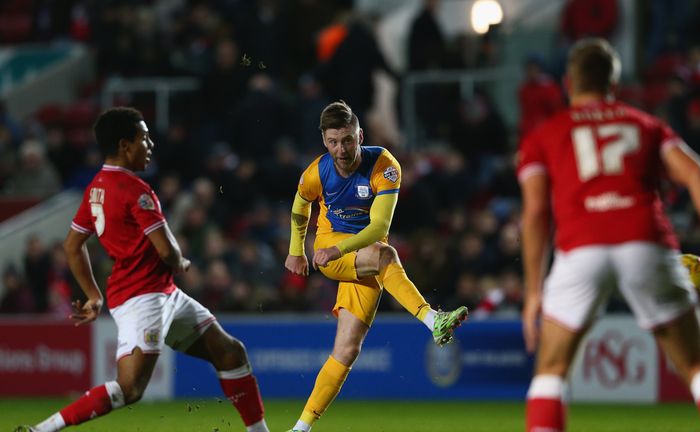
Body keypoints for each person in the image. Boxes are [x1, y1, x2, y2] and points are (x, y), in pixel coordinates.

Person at [518, 38, 700, 432]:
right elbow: (699, 174)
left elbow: (535, 212)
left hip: (581, 247)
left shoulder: (543, 136)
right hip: (645, 241)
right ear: (613, 85)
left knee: (550, 372)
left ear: (567, 83)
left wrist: (532, 292)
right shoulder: (644, 124)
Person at [18, 108, 270, 432]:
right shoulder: (136, 190)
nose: (150, 144)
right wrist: (181, 261)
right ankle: (41, 430)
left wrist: (94, 296)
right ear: (125, 145)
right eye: (144, 138)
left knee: (231, 353)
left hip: (160, 293)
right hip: (143, 296)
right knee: (130, 389)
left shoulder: (96, 186)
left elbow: (72, 244)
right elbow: (167, 250)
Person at [283, 101, 468, 432]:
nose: (341, 149)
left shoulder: (385, 166)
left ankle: (300, 427)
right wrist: (297, 251)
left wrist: (341, 248)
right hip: (332, 252)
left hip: (357, 254)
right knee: (386, 256)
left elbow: (378, 227)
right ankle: (432, 319)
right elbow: (300, 206)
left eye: (348, 140)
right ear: (324, 141)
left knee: (347, 350)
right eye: (333, 142)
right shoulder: (316, 172)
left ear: (360, 135)